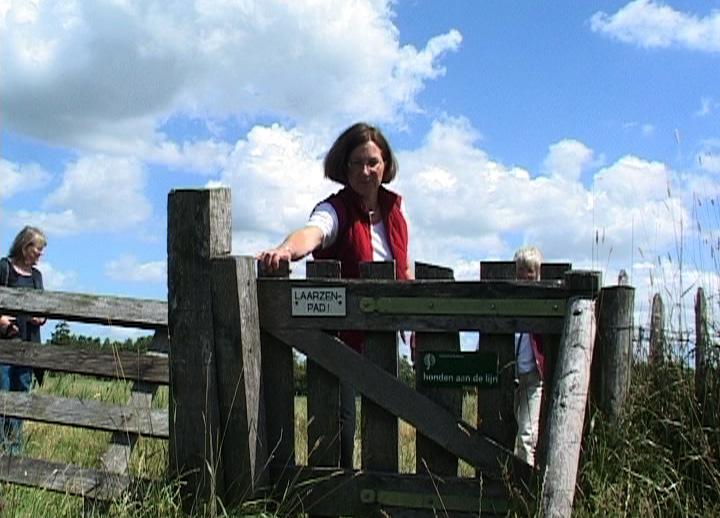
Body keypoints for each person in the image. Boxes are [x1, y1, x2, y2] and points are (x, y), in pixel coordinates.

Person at [257, 122, 413, 468]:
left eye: (372, 161)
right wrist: (286, 249)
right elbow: (315, 232)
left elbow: (402, 268)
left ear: (385, 164)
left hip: (384, 338)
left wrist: (414, 323)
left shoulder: (395, 213)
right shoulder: (336, 208)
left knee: (383, 424)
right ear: (344, 167)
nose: (365, 170)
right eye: (356, 162)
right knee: (338, 426)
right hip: (338, 342)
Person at [0, 226, 48, 454]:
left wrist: (41, 316)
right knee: (3, 395)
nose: (40, 254)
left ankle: (14, 454)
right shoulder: (4, 268)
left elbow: (45, 308)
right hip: (5, 346)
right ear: (25, 246)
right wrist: (0, 319)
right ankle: (3, 450)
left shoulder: (37, 276)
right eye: (38, 249)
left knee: (20, 398)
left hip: (28, 347)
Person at [512, 245, 545, 466]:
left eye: (530, 273)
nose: (525, 277)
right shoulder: (509, 305)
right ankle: (513, 488)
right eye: (521, 272)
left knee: (526, 437)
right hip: (512, 379)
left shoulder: (542, 305)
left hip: (533, 378)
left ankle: (526, 493)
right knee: (509, 436)